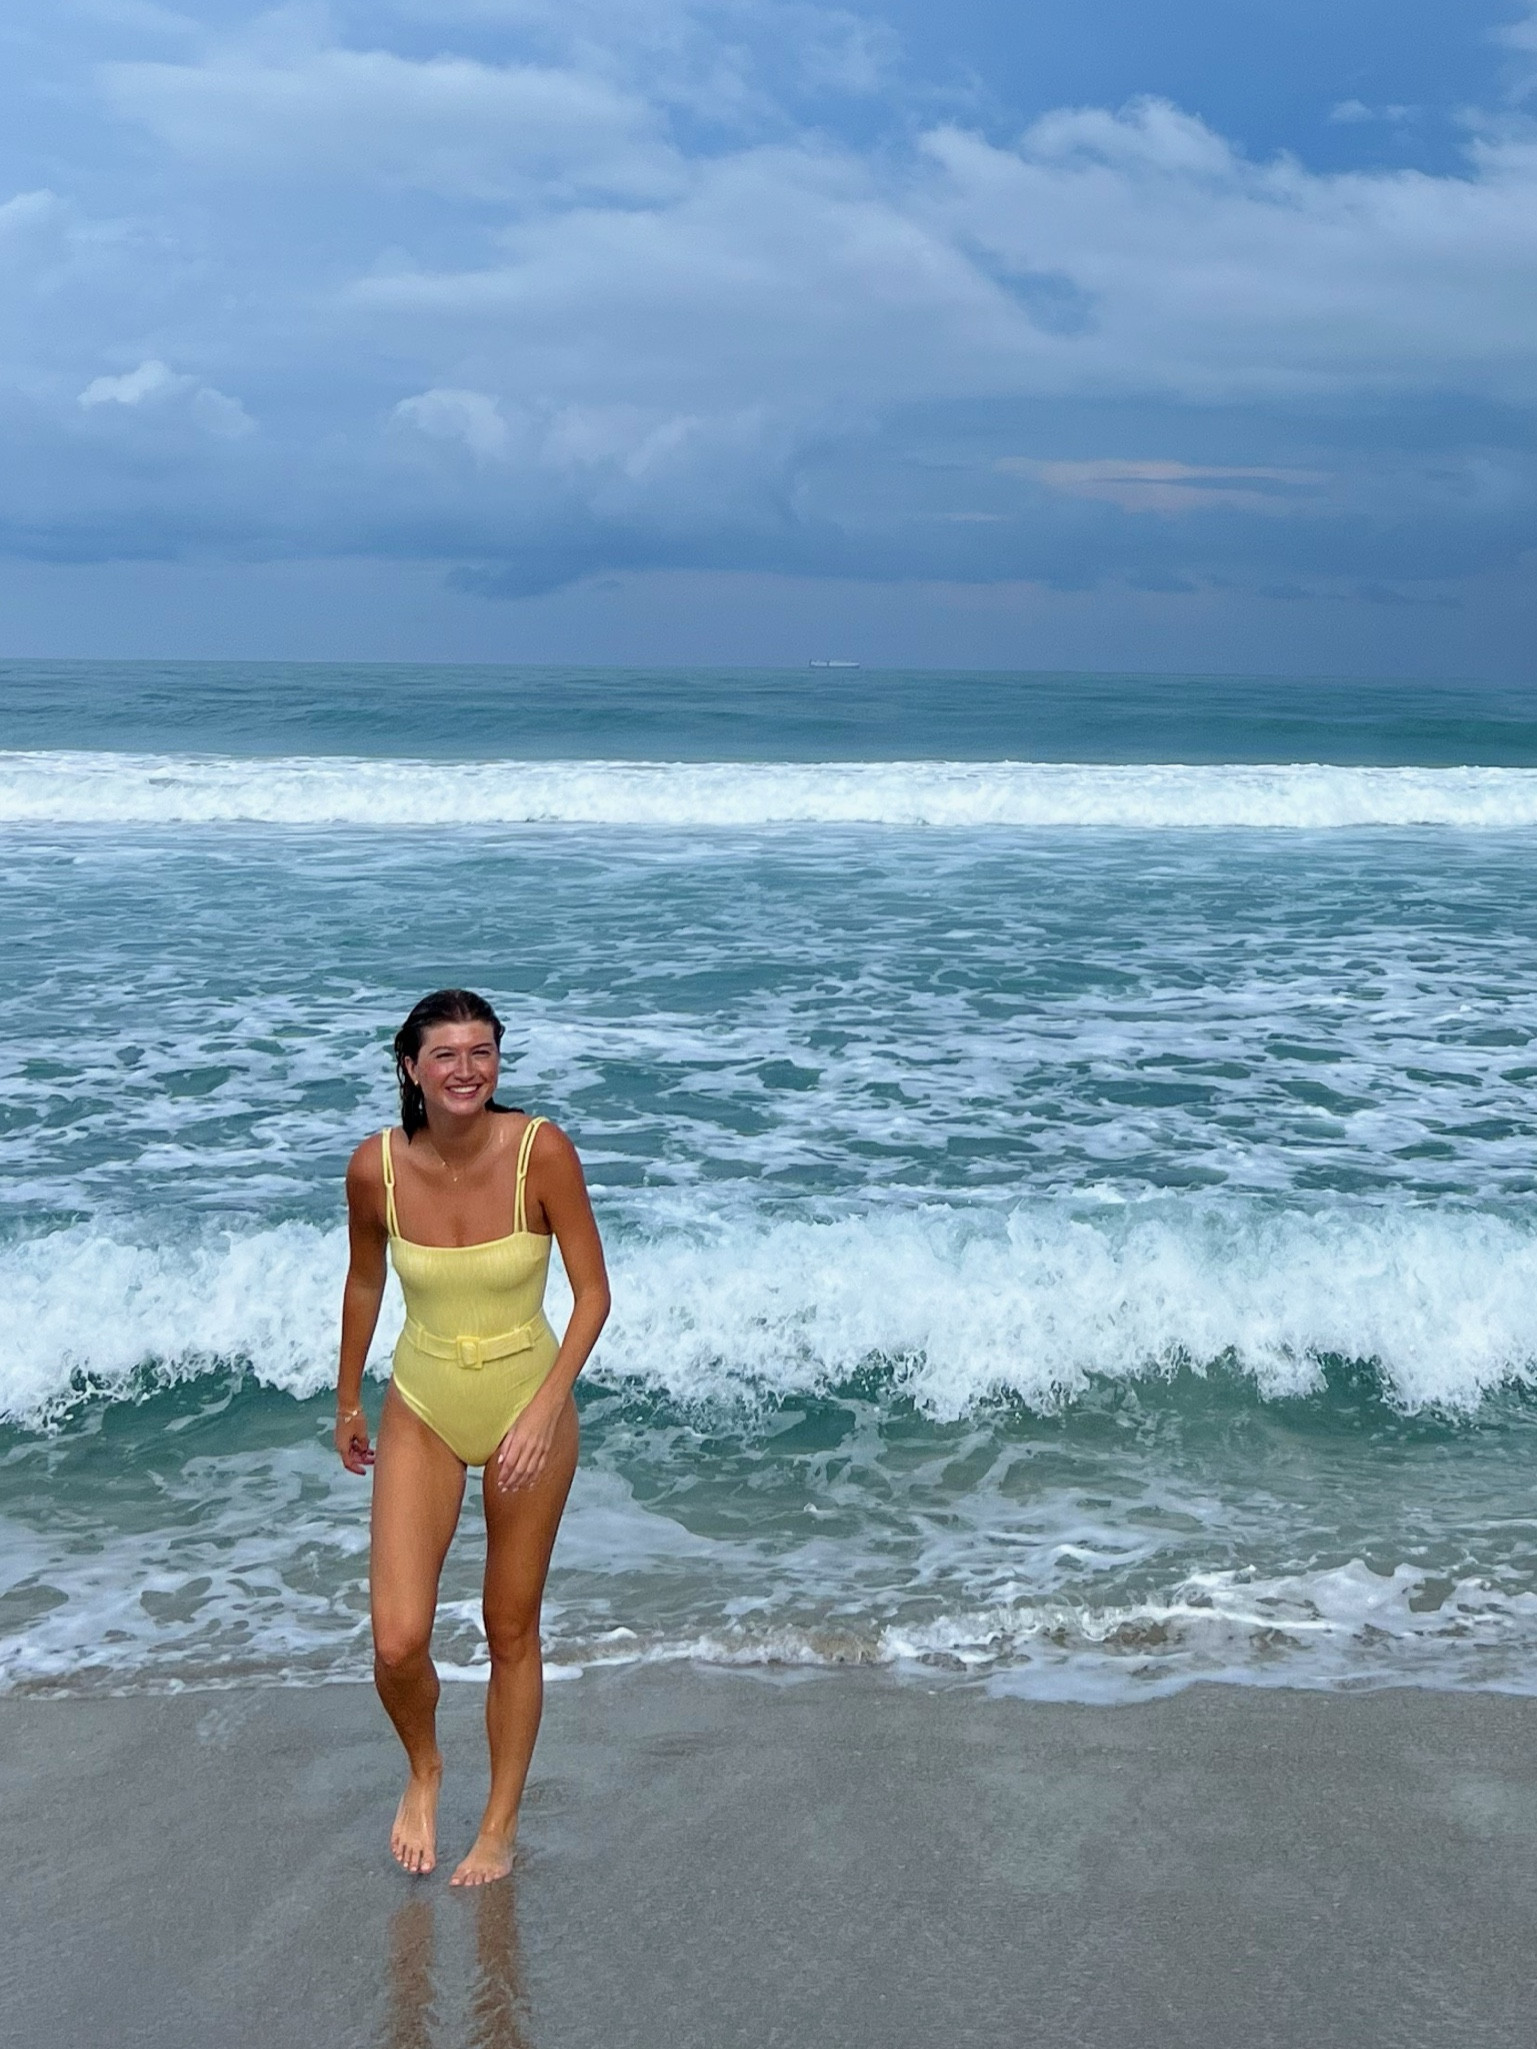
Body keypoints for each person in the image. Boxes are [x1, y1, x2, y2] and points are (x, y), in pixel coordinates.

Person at [334, 989, 610, 1885]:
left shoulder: (540, 1150)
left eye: (482, 1051)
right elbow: (366, 1283)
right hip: (423, 1400)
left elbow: (594, 1294)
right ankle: (424, 1767)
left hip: (530, 1401)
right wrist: (348, 1398)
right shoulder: (374, 1166)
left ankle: (497, 1824)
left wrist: (543, 1406)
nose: (465, 1069)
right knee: (397, 1641)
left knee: (509, 1626)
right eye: (445, 1053)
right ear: (410, 1066)